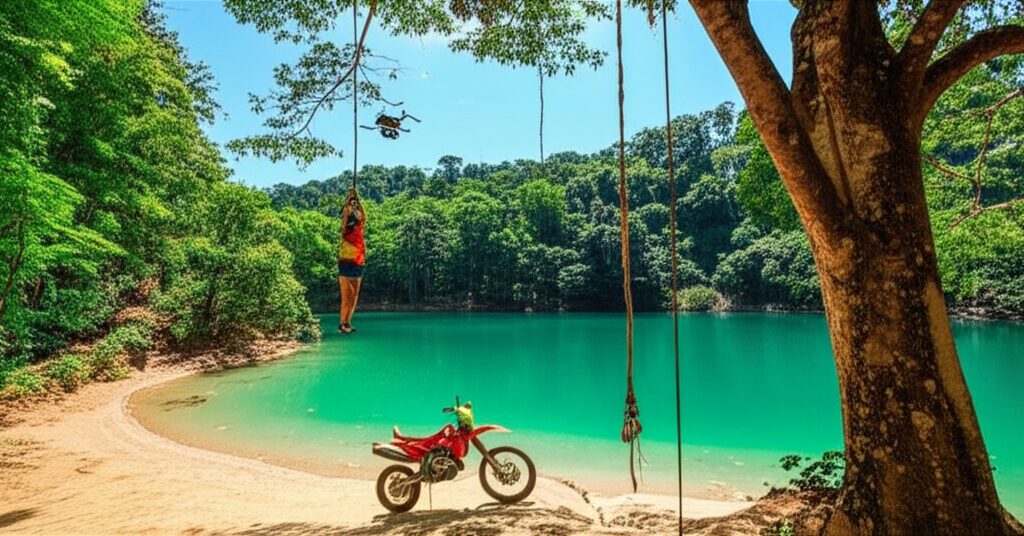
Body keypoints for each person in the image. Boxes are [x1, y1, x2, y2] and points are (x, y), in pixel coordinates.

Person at [338, 188, 366, 333]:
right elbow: (345, 213)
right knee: (346, 294)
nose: (353, 206)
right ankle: (342, 323)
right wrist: (349, 198)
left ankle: (348, 322)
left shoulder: (360, 225)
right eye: (352, 204)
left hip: (358, 261)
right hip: (345, 261)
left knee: (354, 295)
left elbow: (363, 215)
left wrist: (357, 198)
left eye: (355, 204)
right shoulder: (345, 227)